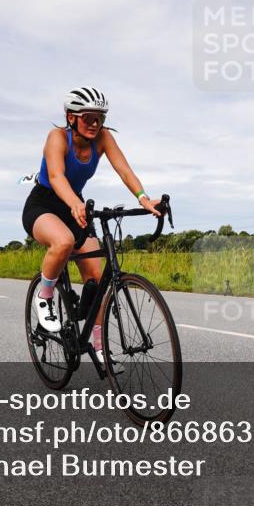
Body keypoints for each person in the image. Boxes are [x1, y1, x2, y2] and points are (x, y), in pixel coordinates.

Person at [21, 87, 160, 362]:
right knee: (63, 242)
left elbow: (124, 169)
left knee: (97, 282)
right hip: (45, 204)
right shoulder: (57, 137)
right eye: (88, 117)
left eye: (100, 118)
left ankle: (98, 349)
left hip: (76, 206)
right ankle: (45, 298)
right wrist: (74, 202)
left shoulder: (103, 138)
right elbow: (56, 176)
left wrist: (143, 198)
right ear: (71, 117)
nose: (95, 124)